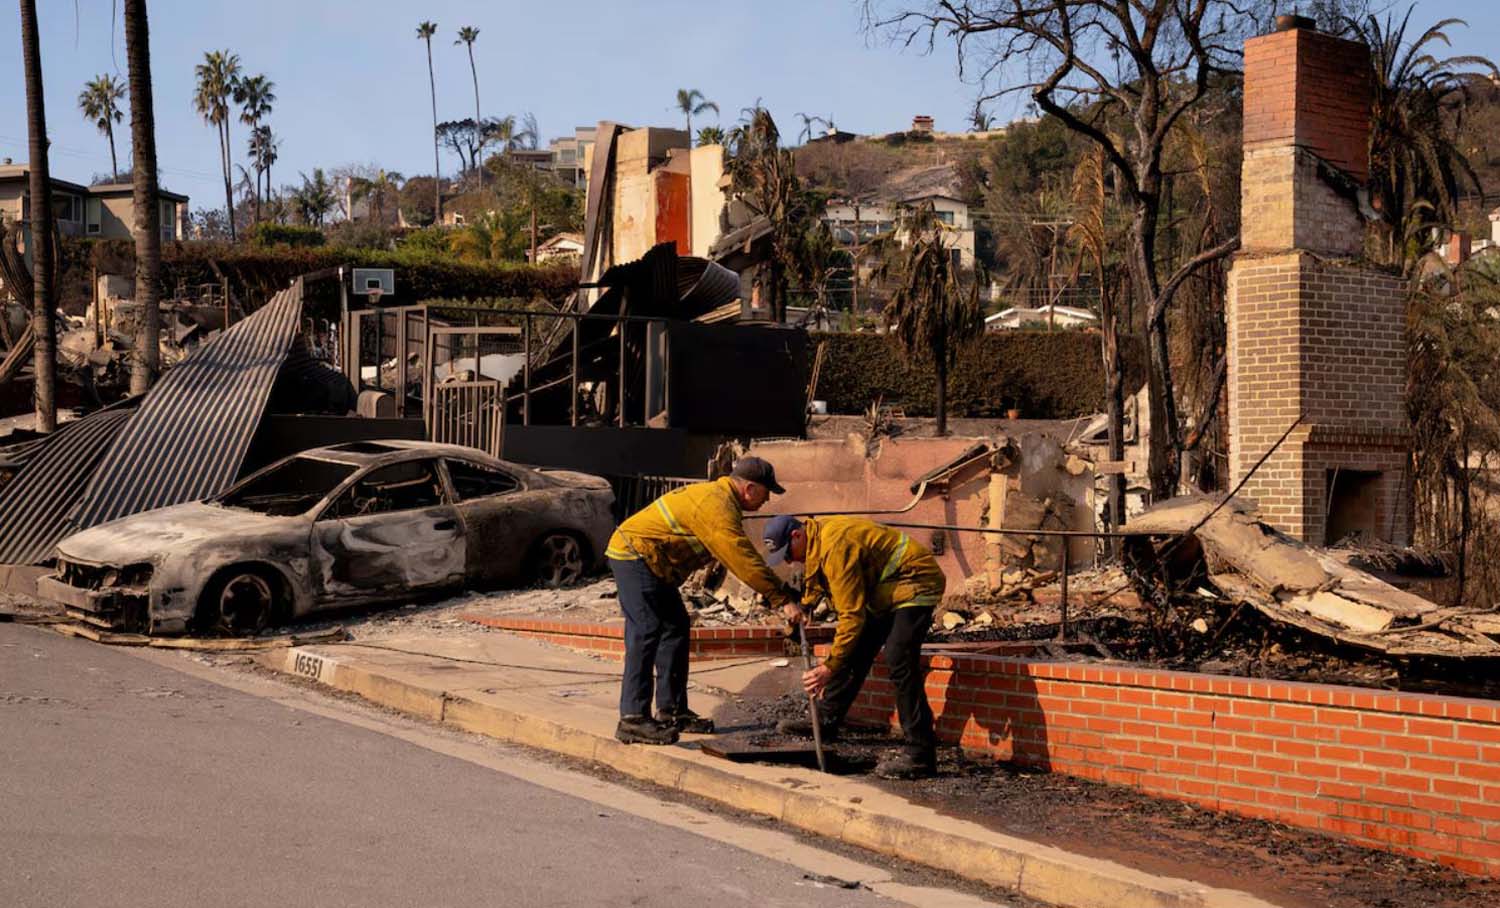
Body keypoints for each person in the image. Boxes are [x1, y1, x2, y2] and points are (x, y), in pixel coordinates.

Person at [605, 456, 801, 745]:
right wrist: (780, 598)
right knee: (646, 629)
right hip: (634, 555)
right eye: (765, 492)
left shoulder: (722, 501)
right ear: (749, 488)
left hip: (651, 561)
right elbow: (741, 559)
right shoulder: (717, 506)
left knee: (675, 626)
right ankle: (633, 718)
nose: (767, 499)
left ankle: (672, 711)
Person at [763, 514, 945, 779]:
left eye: (787, 554)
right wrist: (806, 605)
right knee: (856, 650)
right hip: (886, 589)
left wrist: (829, 667)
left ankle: (921, 756)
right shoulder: (817, 541)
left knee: (899, 659)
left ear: (796, 536)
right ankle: (825, 721)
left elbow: (851, 616)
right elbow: (817, 574)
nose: (789, 562)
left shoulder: (836, 546)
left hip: (916, 582)